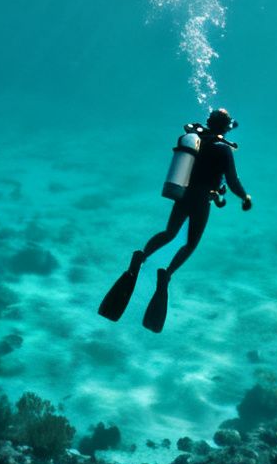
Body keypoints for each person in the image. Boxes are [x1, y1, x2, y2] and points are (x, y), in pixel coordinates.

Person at [98, 107, 253, 332]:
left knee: (169, 233)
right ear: (225, 128)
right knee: (190, 243)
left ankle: (139, 259)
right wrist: (244, 197)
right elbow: (231, 180)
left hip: (183, 195)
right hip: (201, 201)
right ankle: (166, 274)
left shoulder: (196, 141)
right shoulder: (223, 150)